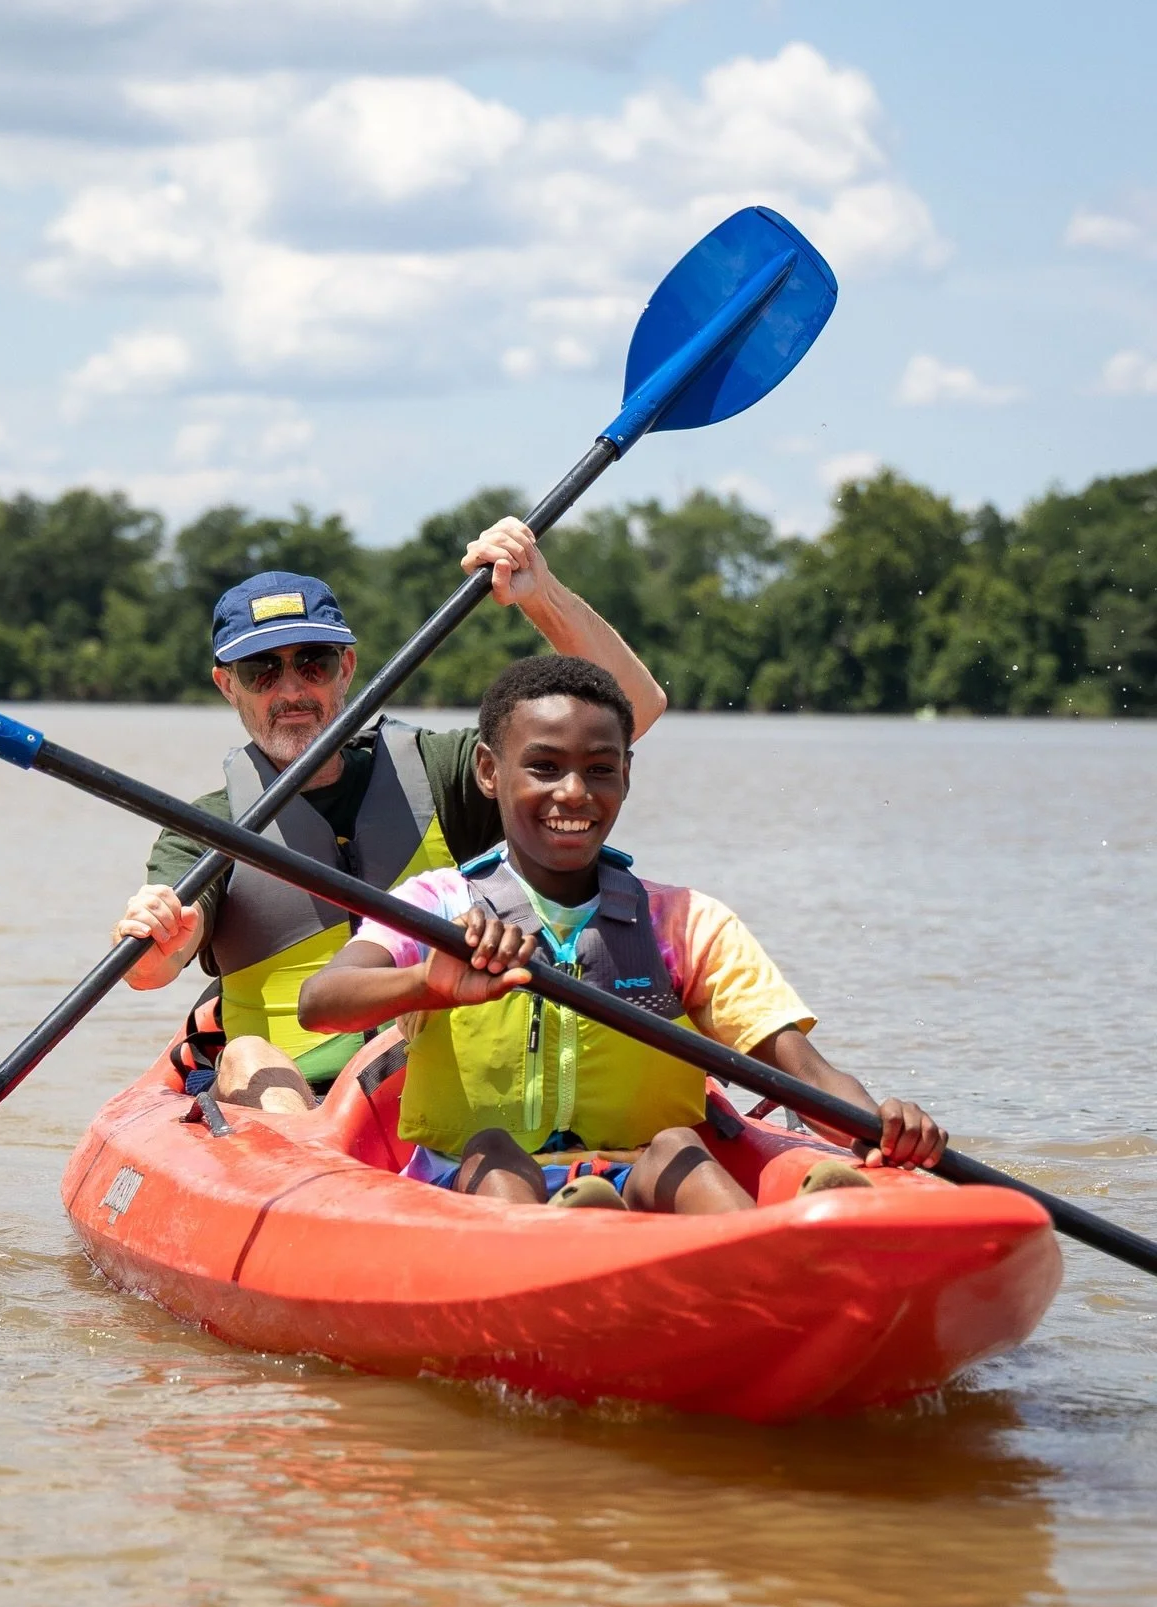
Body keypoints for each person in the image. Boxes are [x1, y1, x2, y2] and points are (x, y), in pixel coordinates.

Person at [297, 654, 947, 1213]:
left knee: (679, 1148)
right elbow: (320, 1003)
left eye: (600, 769)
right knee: (493, 1153)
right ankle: (552, 1246)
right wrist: (425, 984)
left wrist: (880, 1127)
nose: (574, 793)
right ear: (490, 773)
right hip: (471, 1189)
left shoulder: (686, 922)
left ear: (627, 773)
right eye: (545, 767)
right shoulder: (435, 905)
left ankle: (781, 1247)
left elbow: (803, 1072)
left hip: (643, 1178)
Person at [112, 519, 668, 1115]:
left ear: (346, 668)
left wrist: (540, 593)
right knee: (247, 1053)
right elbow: (152, 969)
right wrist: (157, 933)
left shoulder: (444, 773)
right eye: (262, 672)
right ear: (229, 685)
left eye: (313, 663)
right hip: (291, 1101)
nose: (292, 689)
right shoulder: (206, 827)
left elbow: (634, 709)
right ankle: (323, 1189)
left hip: (432, 1072)